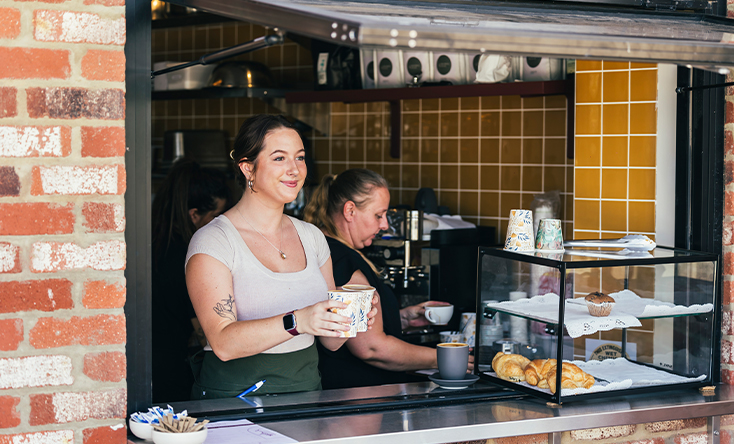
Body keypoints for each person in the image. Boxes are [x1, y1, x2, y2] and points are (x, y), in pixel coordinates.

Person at [185, 114, 375, 399]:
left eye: (299, 158)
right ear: (248, 168)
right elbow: (222, 343)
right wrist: (298, 320)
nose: (294, 170)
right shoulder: (215, 240)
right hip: (236, 399)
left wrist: (350, 316)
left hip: (305, 393)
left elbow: (329, 342)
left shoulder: (312, 237)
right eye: (279, 158)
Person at [303, 169, 454, 389]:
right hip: (357, 396)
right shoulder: (345, 262)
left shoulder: (322, 248)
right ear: (350, 211)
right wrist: (443, 358)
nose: (384, 225)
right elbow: (371, 348)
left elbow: (356, 326)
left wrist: (401, 318)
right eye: (378, 215)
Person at [151, 159, 231, 402]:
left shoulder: (155, 245)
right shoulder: (188, 259)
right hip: (173, 373)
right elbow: (207, 334)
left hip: (150, 367)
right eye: (215, 216)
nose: (221, 224)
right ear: (194, 215)